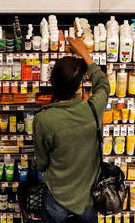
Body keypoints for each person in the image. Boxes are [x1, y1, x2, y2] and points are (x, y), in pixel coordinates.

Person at [33, 36, 110, 223]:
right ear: (78, 85)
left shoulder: (43, 119)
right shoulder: (92, 109)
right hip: (87, 196)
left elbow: (42, 163)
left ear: (51, 82)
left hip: (57, 194)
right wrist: (85, 53)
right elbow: (103, 84)